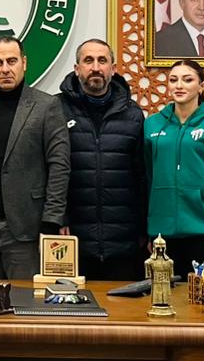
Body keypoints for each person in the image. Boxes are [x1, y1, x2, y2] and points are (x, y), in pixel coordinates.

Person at [0, 36, 70, 280]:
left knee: (25, 300)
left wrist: (51, 222)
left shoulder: (47, 106)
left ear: (24, 63)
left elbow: (59, 166)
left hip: (26, 228)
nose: (5, 69)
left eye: (12, 61)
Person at [57, 39, 145, 280]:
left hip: (123, 242)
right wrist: (58, 218)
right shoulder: (56, 110)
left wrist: (143, 229)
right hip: (72, 239)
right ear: (77, 69)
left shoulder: (133, 114)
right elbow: (48, 172)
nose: (95, 67)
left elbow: (142, 176)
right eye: (88, 60)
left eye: (102, 61)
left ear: (113, 69)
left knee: (121, 303)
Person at [143, 59, 204, 277]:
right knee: (163, 293)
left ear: (202, 86)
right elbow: (148, 175)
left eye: (187, 80)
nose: (179, 85)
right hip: (162, 233)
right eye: (173, 80)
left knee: (201, 293)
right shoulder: (152, 124)